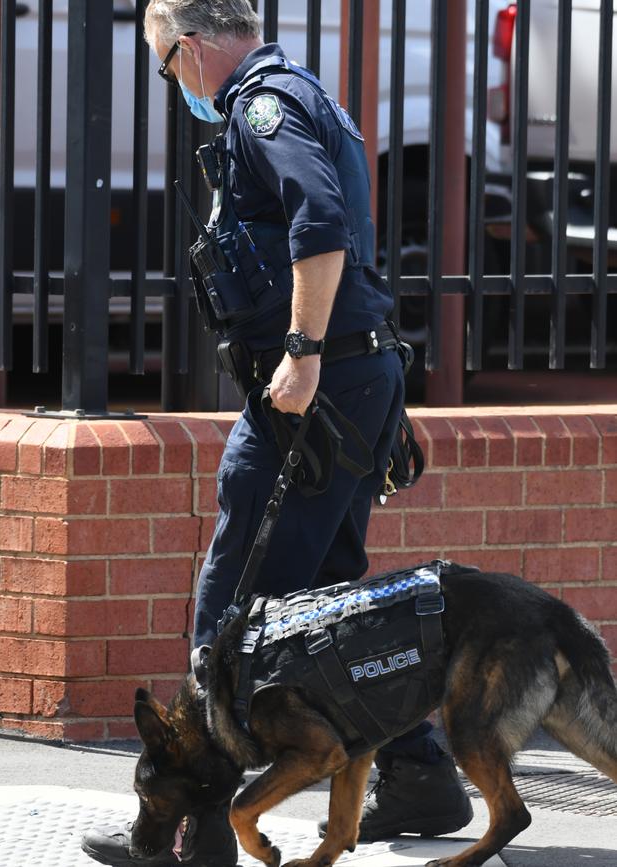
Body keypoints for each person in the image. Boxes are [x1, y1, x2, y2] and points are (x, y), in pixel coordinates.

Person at [82, 2, 472, 865]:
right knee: (330, 595)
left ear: (188, 49)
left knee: (230, 610)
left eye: (168, 68)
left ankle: (191, 831)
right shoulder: (307, 94)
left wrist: (300, 352)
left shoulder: (260, 106)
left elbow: (321, 221)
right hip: (353, 376)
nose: (178, 86)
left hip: (313, 389)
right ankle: (420, 776)